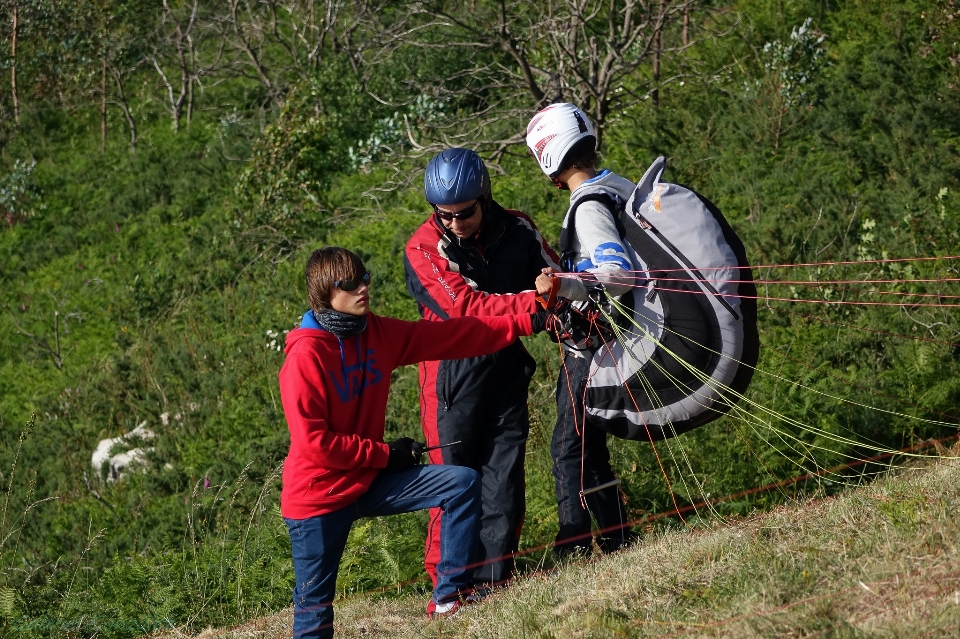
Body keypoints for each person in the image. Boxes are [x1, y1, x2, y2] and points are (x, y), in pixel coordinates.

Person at [279, 246, 547, 639]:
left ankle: (447, 600)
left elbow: (453, 335)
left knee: (461, 483)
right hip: (317, 499)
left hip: (368, 480)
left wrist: (529, 319)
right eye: (350, 283)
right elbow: (315, 445)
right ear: (324, 293)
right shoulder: (305, 355)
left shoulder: (377, 332)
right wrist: (386, 455)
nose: (363, 288)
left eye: (364, 277)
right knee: (314, 615)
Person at [404, 148, 559, 590]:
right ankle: (449, 587)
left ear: (485, 197)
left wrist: (562, 297)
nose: (454, 223)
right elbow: (466, 309)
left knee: (504, 480)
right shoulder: (422, 247)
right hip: (451, 375)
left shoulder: (520, 228)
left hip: (506, 366)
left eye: (465, 213)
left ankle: (496, 582)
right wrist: (538, 302)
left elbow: (557, 278)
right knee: (453, 480)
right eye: (444, 215)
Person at [526, 103, 635, 558]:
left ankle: (572, 545)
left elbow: (617, 271)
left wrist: (563, 285)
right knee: (590, 444)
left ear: (548, 159)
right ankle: (616, 533)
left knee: (568, 447)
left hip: (590, 345)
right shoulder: (619, 186)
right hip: (615, 338)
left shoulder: (589, 204)